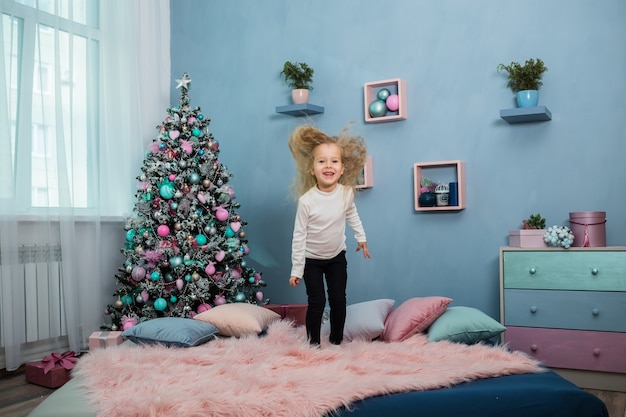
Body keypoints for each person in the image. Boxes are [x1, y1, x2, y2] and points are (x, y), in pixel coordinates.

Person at [288, 124, 371, 347]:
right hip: (311, 260)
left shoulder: (345, 194)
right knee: (317, 301)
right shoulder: (307, 201)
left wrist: (360, 238)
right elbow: (299, 236)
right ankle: (313, 344)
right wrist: (297, 268)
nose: (328, 165)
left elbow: (352, 215)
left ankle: (336, 340)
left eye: (334, 161)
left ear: (342, 168)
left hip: (336, 257)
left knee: (337, 300)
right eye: (322, 161)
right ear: (311, 168)